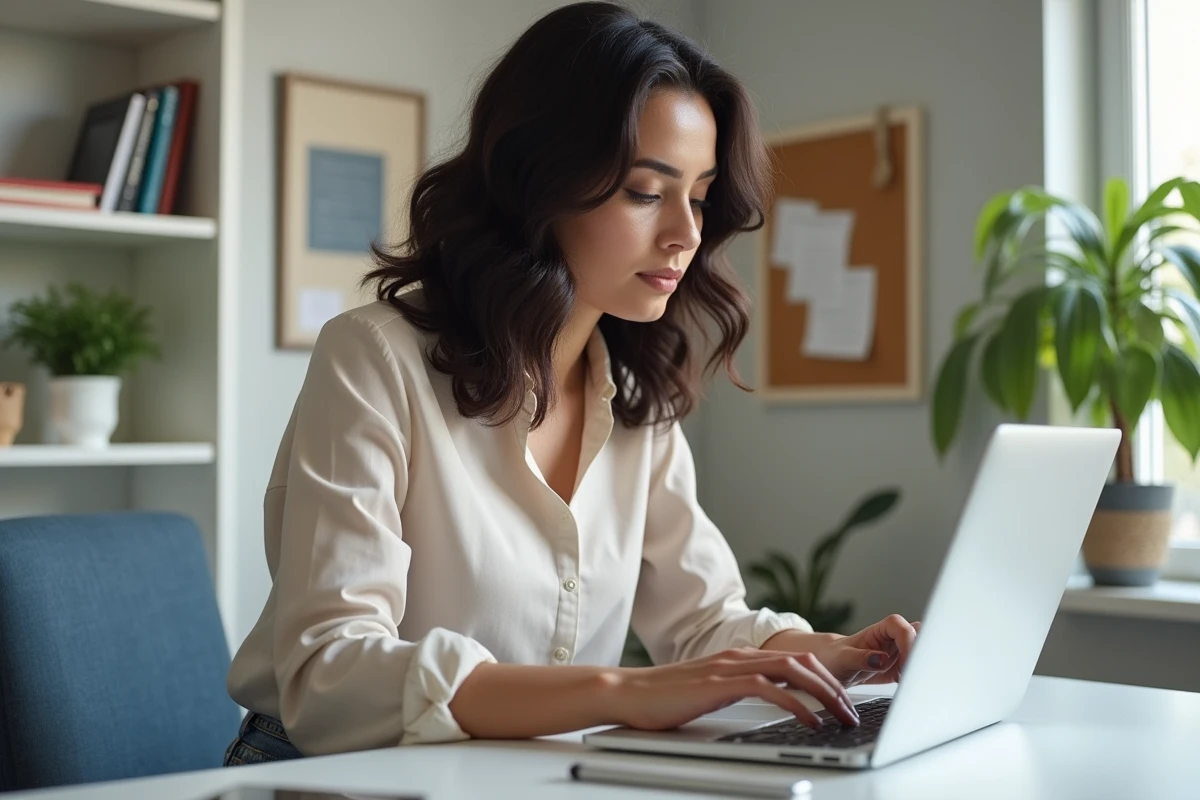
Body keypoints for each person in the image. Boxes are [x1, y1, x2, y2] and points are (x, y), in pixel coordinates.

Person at [223, 1, 918, 766]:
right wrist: (625, 693)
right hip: (330, 770)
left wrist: (838, 655)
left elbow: (704, 619)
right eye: (647, 192)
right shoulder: (372, 359)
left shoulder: (634, 398)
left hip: (522, 768)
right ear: (539, 182)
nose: (686, 233)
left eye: (700, 194)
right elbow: (333, 675)